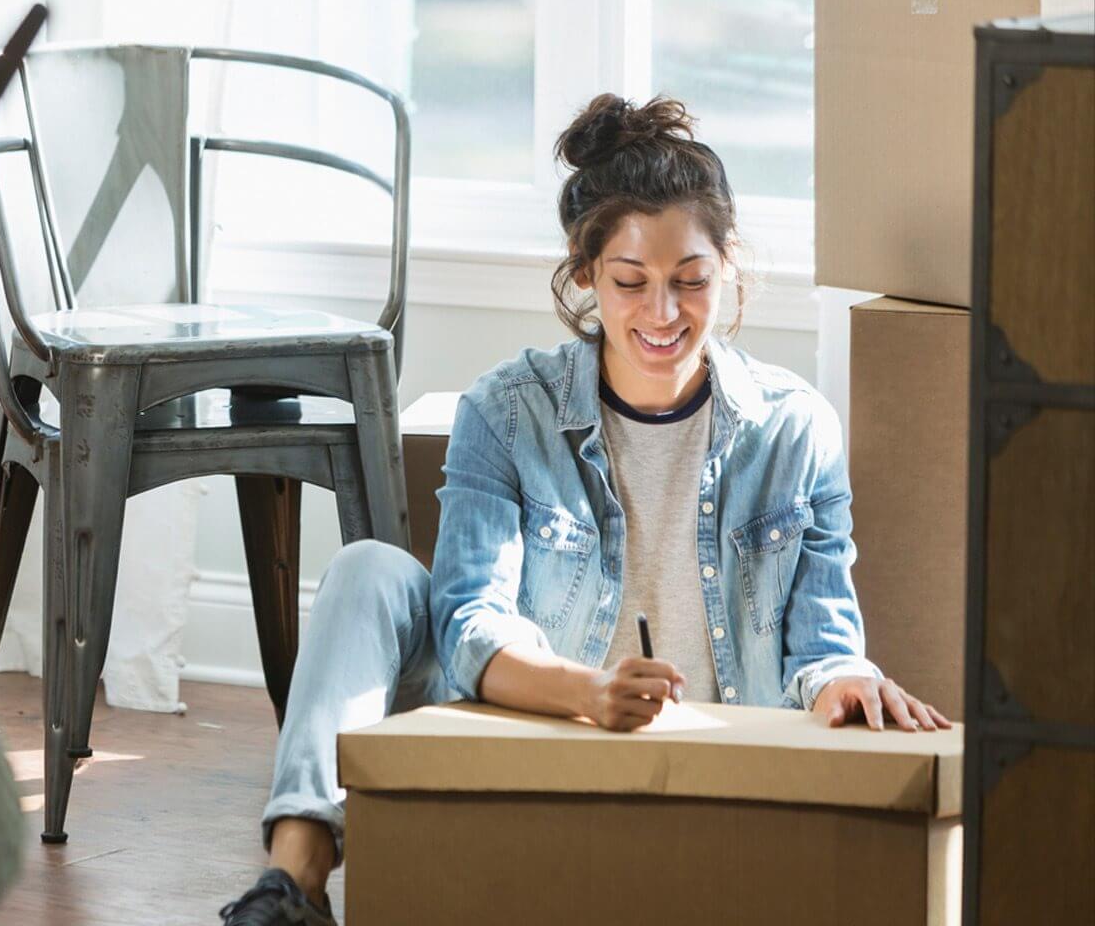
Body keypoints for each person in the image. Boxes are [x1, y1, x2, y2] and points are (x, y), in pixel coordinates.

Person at [217, 94, 952, 926]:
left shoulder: (796, 428)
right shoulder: (507, 408)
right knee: (368, 570)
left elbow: (821, 645)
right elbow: (469, 625)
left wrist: (848, 683)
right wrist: (591, 693)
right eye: (630, 283)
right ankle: (291, 888)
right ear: (585, 274)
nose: (663, 313)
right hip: (532, 713)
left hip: (706, 762)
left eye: (691, 281)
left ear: (729, 266)